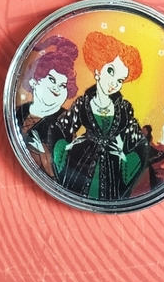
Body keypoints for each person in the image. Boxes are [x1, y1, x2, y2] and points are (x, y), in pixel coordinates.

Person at [53, 31, 149, 200]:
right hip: (80, 165)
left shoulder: (124, 108)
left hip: (113, 169)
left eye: (120, 80)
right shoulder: (82, 103)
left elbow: (139, 143)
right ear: (97, 69)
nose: (114, 83)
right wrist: (67, 148)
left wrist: (124, 156)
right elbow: (60, 129)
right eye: (111, 71)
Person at [15, 35, 79, 177]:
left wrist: (42, 151)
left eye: (63, 85)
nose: (57, 88)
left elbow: (69, 168)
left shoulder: (65, 123)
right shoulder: (18, 111)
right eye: (51, 79)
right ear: (34, 81)